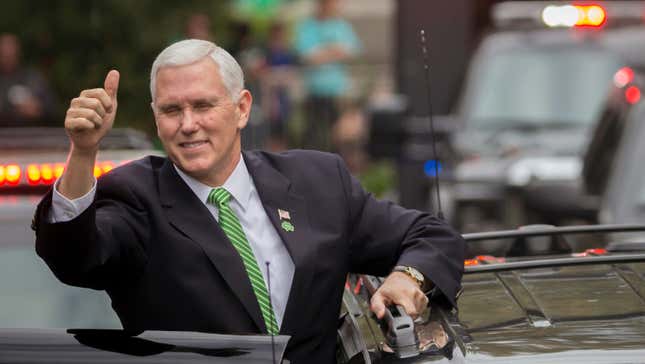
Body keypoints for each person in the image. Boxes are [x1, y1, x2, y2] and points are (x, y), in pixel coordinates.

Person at [33, 39, 464, 363]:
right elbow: (76, 257)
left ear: (241, 108)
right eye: (171, 110)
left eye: (203, 105)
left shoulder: (317, 180)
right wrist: (83, 153)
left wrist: (408, 277)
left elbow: (430, 234)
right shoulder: (134, 195)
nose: (188, 124)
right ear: (155, 117)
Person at [294, 0, 361, 151]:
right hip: (314, 90)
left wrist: (323, 53)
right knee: (314, 135)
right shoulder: (308, 26)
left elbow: (352, 51)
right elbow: (307, 56)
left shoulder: (342, 26)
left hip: (338, 91)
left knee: (338, 136)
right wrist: (334, 51)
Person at [0, 33, 57, 127]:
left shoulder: (33, 78)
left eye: (11, 53)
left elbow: (51, 108)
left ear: (18, 53)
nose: (7, 57)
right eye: (4, 54)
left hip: (30, 136)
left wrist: (38, 109)